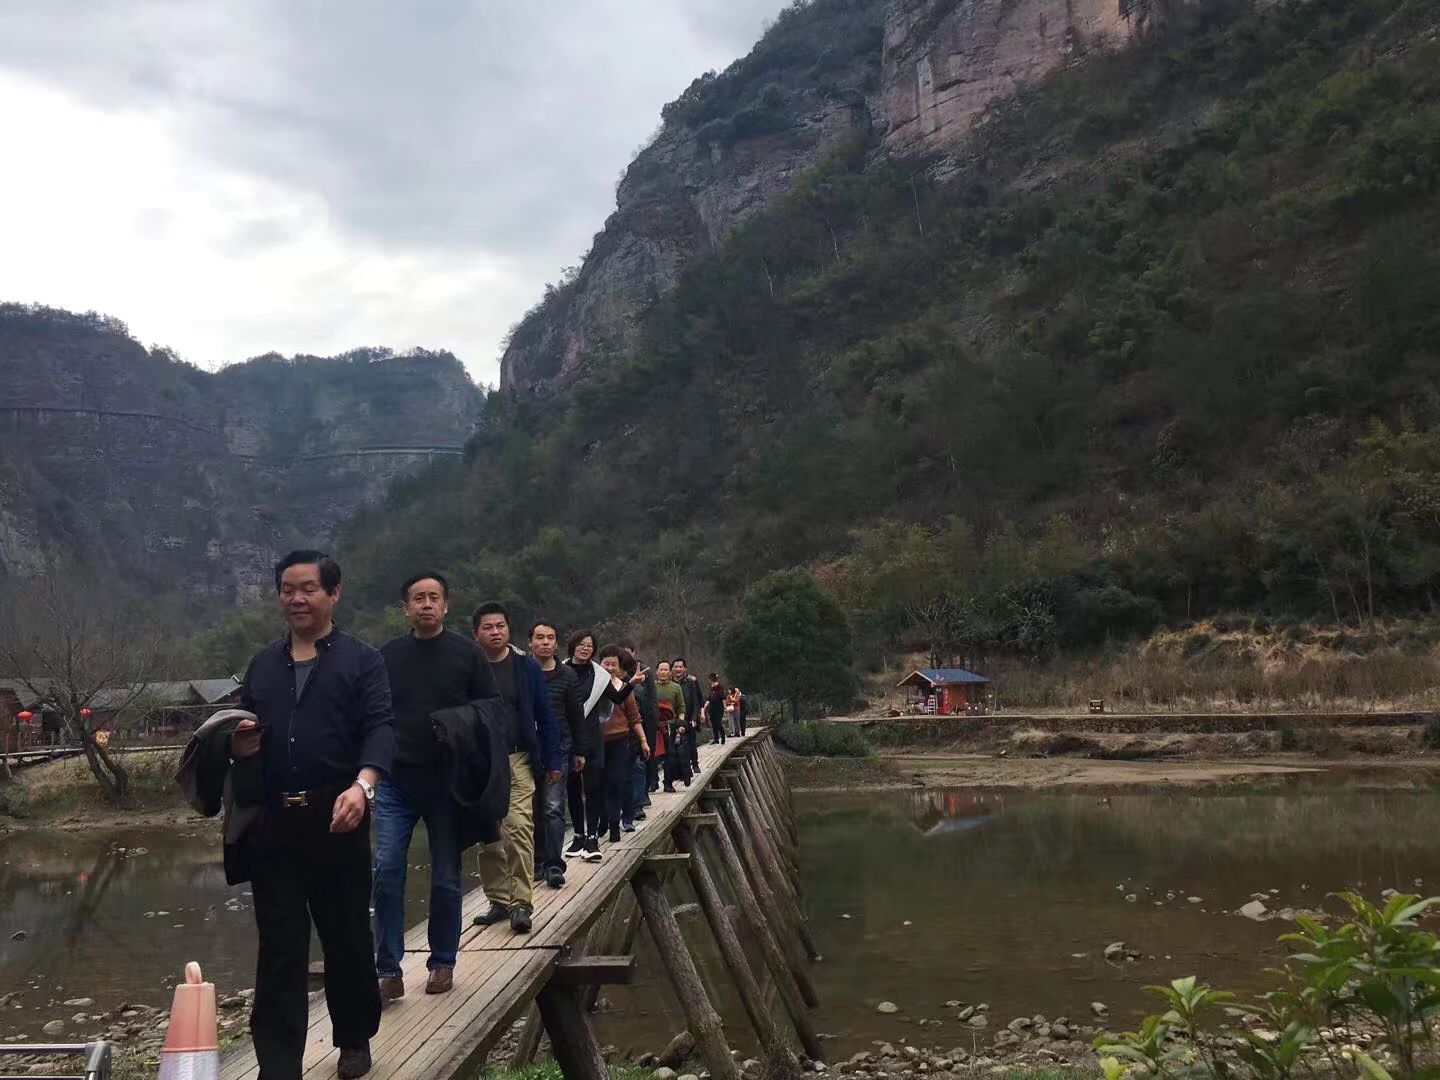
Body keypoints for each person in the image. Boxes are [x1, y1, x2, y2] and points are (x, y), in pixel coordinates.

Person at [231, 550, 395, 1080]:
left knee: (346, 935)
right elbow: (242, 729)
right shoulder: (262, 665)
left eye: (307, 589)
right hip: (275, 824)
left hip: (338, 816)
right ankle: (279, 1063)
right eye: (287, 589)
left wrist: (363, 786)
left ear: (333, 593)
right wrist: (240, 744)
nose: (296, 599)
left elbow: (380, 727)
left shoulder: (363, 660)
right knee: (280, 945)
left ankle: (354, 1039)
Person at [373, 572, 497, 1002]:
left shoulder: (468, 654)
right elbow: (373, 713)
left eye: (433, 597)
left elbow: (491, 709)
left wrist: (456, 723)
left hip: (447, 781)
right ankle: (388, 970)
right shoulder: (387, 656)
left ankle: (442, 960)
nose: (426, 604)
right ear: (406, 608)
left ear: (446, 606)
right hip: (396, 779)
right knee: (386, 869)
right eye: (418, 598)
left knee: (445, 875)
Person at [470, 603, 562, 935]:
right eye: (488, 627)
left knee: (519, 826)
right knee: (488, 834)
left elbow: (544, 714)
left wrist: (553, 760)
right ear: (476, 633)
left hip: (518, 757)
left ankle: (522, 902)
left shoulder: (525, 667)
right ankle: (498, 899)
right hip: (481, 761)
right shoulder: (469, 667)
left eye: (501, 626)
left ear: (509, 630)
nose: (495, 632)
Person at [529, 620, 585, 889]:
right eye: (540, 637)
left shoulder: (567, 676)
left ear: (556, 643)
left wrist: (579, 751)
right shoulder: (522, 672)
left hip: (559, 748)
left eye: (550, 638)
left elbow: (576, 714)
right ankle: (536, 862)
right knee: (531, 809)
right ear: (530, 642)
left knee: (553, 807)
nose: (545, 642)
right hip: (526, 749)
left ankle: (554, 864)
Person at [562, 631, 608, 862]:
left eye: (589, 645)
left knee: (593, 787)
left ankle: (592, 838)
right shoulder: (561, 670)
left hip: (592, 737)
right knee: (572, 787)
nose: (585, 648)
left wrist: (631, 683)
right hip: (567, 736)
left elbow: (617, 697)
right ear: (572, 646)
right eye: (581, 644)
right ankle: (578, 836)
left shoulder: (599, 674)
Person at [597, 645, 649, 842]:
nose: (610, 668)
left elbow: (634, 718)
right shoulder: (592, 686)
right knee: (598, 784)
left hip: (619, 741)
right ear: (599, 664)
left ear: (619, 666)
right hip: (596, 742)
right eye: (606, 664)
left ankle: (615, 824)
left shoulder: (624, 689)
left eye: (614, 664)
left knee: (616, 782)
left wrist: (643, 740)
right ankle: (603, 819)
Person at [654, 661, 689, 792]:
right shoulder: (651, 687)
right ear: (657, 671)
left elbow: (681, 707)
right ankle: (653, 782)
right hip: (655, 727)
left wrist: (681, 723)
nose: (663, 672)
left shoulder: (676, 687)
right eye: (661, 669)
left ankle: (668, 782)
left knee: (671, 756)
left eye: (666, 670)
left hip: (671, 726)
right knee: (652, 756)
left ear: (670, 672)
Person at [672, 657, 704, 771]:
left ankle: (695, 764)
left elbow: (696, 701)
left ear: (684, 668)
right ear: (672, 669)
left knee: (691, 742)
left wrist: (695, 717)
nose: (678, 669)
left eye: (680, 667)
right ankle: (681, 768)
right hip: (675, 719)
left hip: (689, 717)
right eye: (676, 667)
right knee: (676, 744)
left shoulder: (691, 682)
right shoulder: (669, 683)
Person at [706, 673, 727, 746]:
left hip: (719, 707)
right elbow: (709, 698)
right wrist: (705, 706)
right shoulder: (711, 688)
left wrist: (725, 707)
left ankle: (723, 736)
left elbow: (723, 698)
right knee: (713, 723)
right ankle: (716, 739)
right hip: (712, 707)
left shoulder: (719, 687)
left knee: (718, 723)